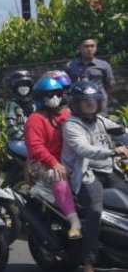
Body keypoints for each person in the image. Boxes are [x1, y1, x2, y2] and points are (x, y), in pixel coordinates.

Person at [62, 80, 128, 272]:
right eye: (85, 101)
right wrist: (112, 152)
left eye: (93, 100)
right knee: (96, 211)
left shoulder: (101, 121)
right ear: (76, 103)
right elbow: (84, 149)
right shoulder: (72, 125)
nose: (90, 104)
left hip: (109, 171)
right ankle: (88, 267)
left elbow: (121, 132)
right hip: (86, 175)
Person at [24, 74, 81, 238]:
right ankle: (74, 220)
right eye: (50, 95)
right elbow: (35, 148)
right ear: (40, 97)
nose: (55, 98)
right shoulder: (35, 120)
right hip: (41, 163)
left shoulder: (66, 115)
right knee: (57, 175)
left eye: (57, 93)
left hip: (65, 160)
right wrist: (54, 163)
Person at [66, 37, 115, 115]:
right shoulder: (71, 66)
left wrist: (99, 94)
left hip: (99, 107)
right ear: (79, 48)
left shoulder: (104, 65)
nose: (89, 49)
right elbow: (67, 87)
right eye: (86, 46)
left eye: (92, 46)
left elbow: (110, 86)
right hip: (78, 107)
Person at [5, 70, 34, 139]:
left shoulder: (34, 104)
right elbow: (11, 126)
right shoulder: (12, 105)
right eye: (20, 85)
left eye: (26, 84)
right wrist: (24, 138)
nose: (23, 87)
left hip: (36, 140)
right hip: (19, 143)